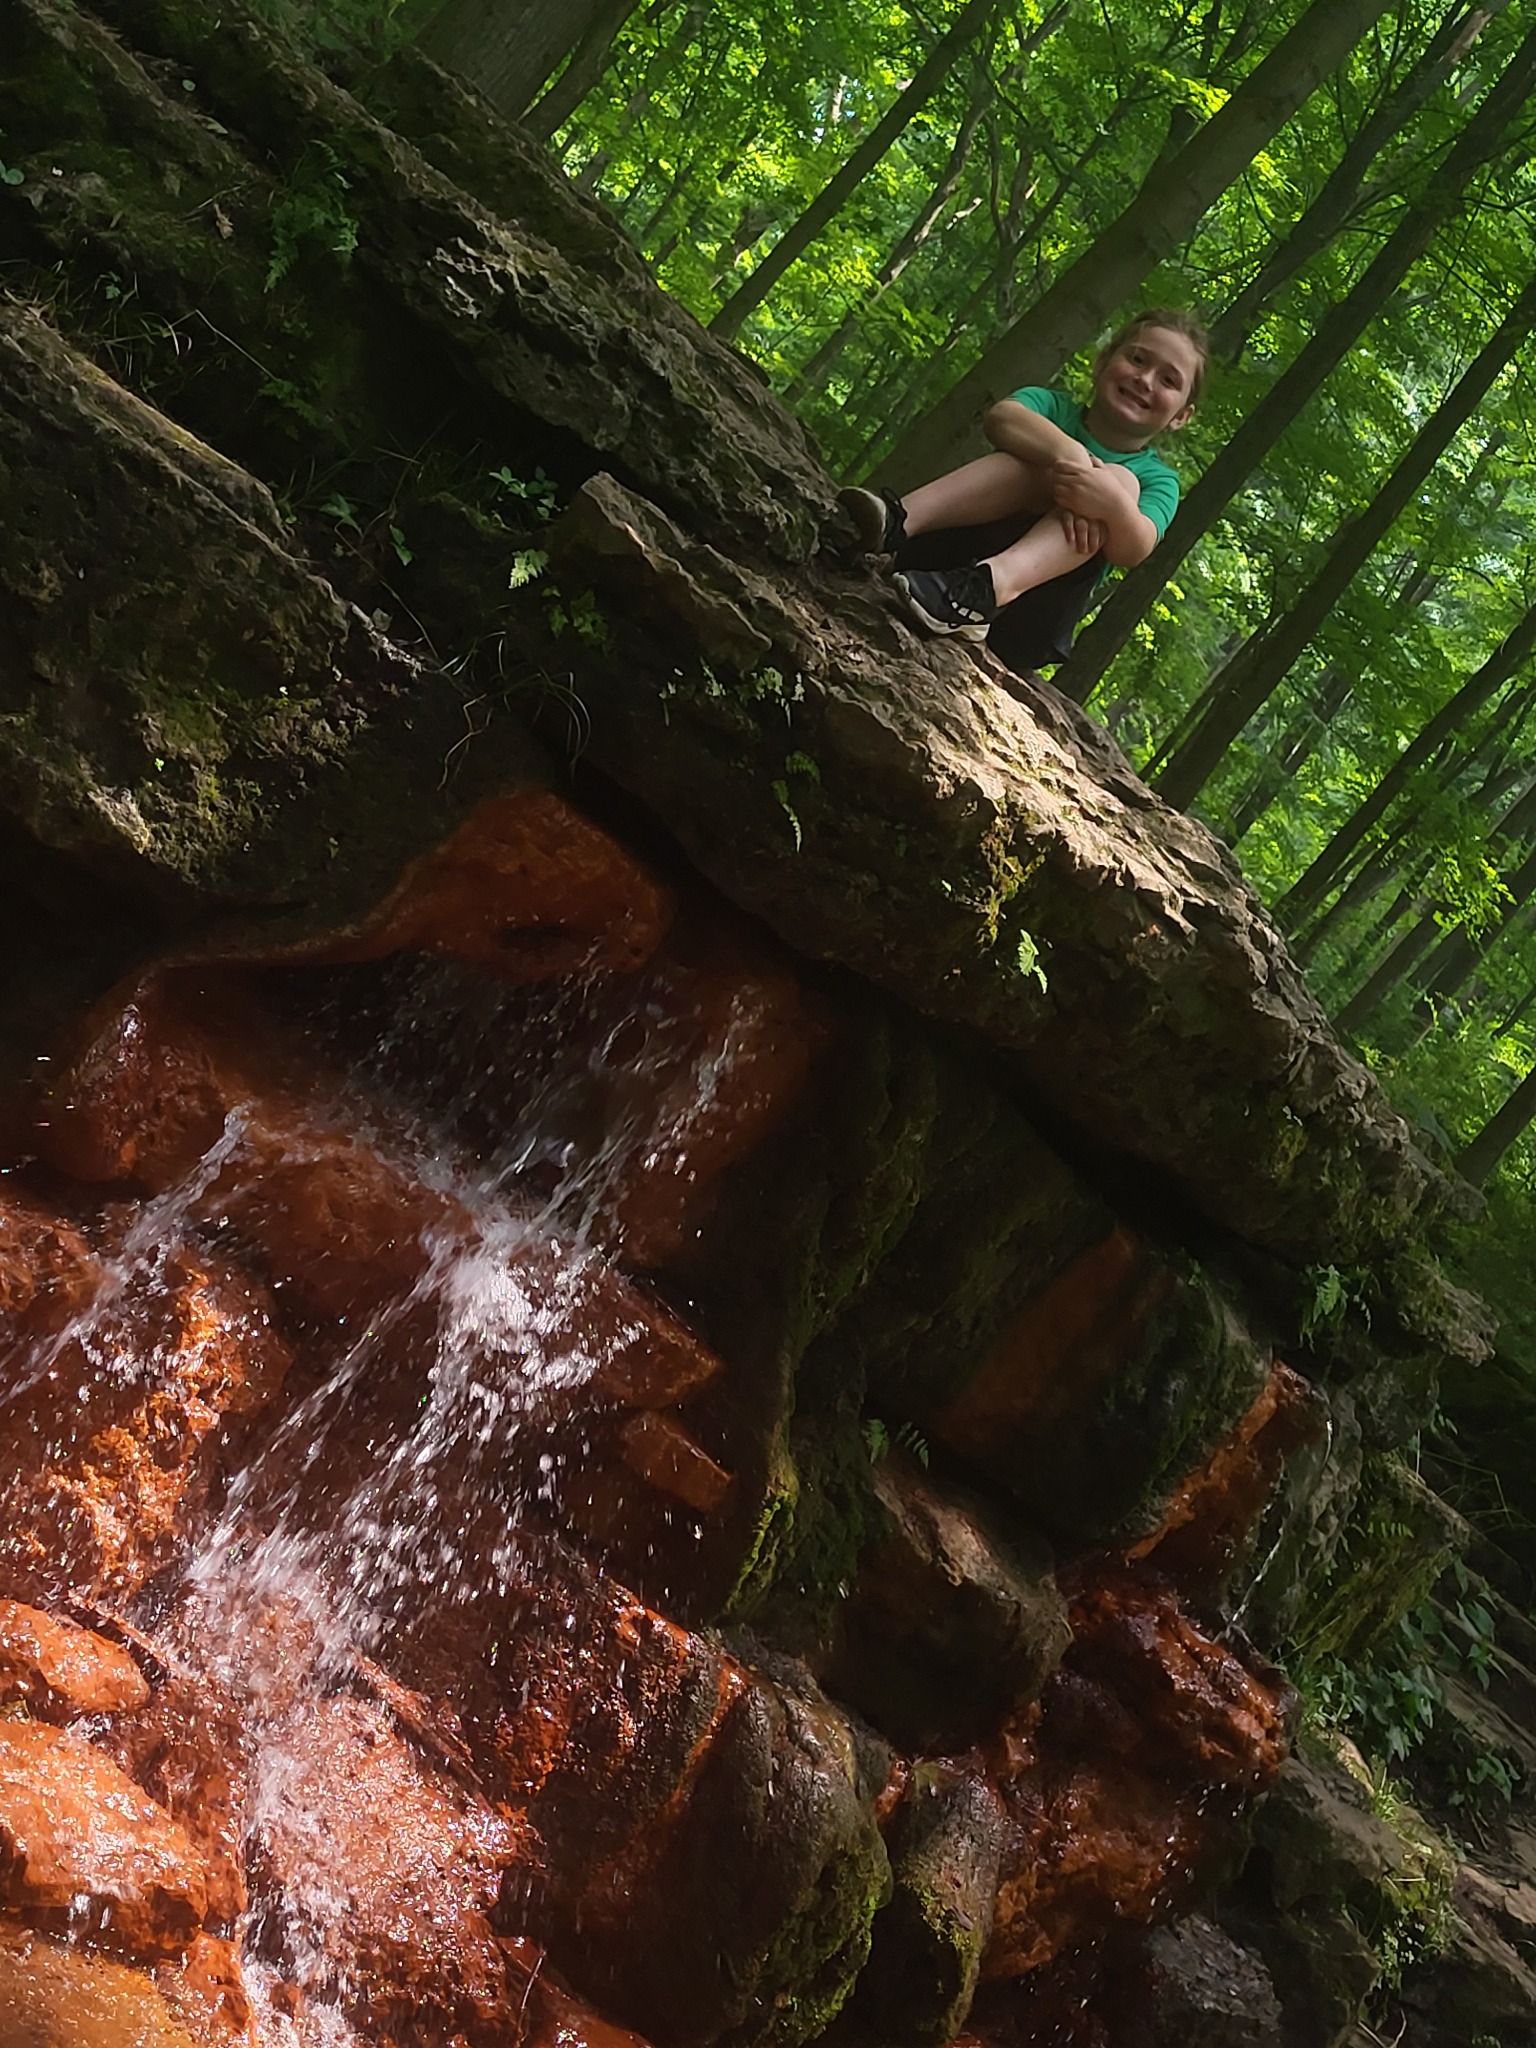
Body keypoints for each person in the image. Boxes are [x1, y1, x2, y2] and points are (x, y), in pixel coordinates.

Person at [840, 310, 1208, 660]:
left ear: (1181, 416)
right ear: (1102, 362)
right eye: (1138, 360)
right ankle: (896, 523)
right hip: (938, 566)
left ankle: (989, 588)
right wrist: (1070, 459)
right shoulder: (1051, 407)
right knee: (1032, 464)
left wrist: (1109, 503)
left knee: (1121, 483)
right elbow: (1002, 418)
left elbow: (1135, 548)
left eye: (1168, 380)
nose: (1145, 380)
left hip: (1028, 619)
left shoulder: (1157, 480)